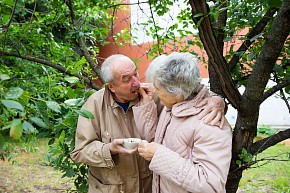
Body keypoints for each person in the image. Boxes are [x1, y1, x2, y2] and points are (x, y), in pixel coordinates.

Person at [70, 54, 226, 193]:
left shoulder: (156, 93)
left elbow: (188, 89)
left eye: (136, 74)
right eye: (126, 79)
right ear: (111, 86)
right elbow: (80, 151)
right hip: (111, 188)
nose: (137, 83)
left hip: (148, 186)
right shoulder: (94, 105)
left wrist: (217, 100)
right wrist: (109, 149)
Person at [134, 52, 232, 193]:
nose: (155, 91)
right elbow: (157, 139)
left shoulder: (209, 122)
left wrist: (158, 156)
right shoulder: (174, 107)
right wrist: (146, 105)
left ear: (177, 93)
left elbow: (210, 186)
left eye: (158, 89)